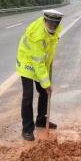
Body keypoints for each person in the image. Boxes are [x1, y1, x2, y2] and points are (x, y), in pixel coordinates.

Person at [15, 9, 63, 141]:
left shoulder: (57, 30)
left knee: (44, 92)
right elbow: (38, 62)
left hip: (40, 61)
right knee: (28, 96)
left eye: (55, 24)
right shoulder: (38, 35)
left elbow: (50, 48)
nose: (53, 26)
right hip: (27, 62)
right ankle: (27, 129)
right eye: (50, 23)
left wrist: (48, 70)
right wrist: (47, 83)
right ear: (45, 20)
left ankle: (41, 120)